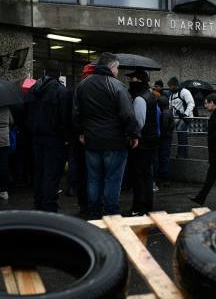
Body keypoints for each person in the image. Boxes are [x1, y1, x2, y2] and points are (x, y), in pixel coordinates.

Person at [73, 53, 140, 219]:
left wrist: (81, 131)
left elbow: (76, 113)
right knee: (113, 179)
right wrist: (134, 134)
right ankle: (111, 214)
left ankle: (94, 212)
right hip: (115, 142)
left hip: (91, 140)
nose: (117, 71)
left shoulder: (82, 85)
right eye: (117, 68)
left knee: (94, 179)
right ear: (111, 66)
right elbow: (127, 114)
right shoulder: (117, 86)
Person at [28, 61, 71, 212]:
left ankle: (38, 202)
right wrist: (66, 137)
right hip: (55, 139)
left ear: (44, 72)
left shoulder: (34, 89)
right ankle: (49, 205)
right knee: (52, 174)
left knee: (39, 172)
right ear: (59, 74)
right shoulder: (61, 91)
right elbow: (65, 118)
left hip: (37, 137)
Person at [126, 69, 159, 215]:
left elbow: (139, 123)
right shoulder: (150, 96)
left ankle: (139, 207)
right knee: (146, 175)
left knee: (138, 176)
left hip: (141, 143)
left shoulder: (140, 98)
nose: (131, 82)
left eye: (133, 79)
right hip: (150, 142)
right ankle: (147, 206)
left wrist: (132, 135)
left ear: (139, 81)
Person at [67, 64, 95, 214]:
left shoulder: (75, 89)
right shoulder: (95, 90)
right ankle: (91, 203)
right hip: (90, 136)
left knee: (79, 168)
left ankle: (82, 201)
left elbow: (72, 114)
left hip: (76, 136)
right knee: (93, 172)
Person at [168, 77, 195, 158]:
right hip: (177, 117)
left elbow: (191, 103)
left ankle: (181, 154)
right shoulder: (172, 94)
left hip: (186, 117)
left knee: (181, 131)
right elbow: (170, 106)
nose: (169, 88)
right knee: (181, 134)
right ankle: (185, 154)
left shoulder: (185, 92)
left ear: (175, 85)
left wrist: (185, 114)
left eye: (170, 86)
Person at [154, 95, 175, 186]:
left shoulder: (164, 114)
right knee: (165, 158)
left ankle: (163, 178)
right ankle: (165, 178)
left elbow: (164, 127)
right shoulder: (169, 112)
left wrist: (160, 136)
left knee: (163, 158)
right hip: (167, 138)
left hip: (164, 139)